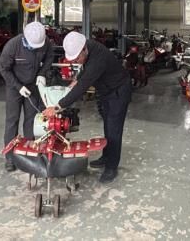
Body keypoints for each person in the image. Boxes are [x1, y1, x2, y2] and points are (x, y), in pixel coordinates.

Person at [42, 31, 131, 184]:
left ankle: (111, 167)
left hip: (118, 91)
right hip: (106, 90)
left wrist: (57, 107)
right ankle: (106, 156)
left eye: (77, 58)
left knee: (114, 129)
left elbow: (83, 86)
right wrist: (75, 80)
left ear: (84, 49)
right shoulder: (85, 46)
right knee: (108, 126)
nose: (77, 61)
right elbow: (83, 70)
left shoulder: (98, 59)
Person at [0, 21, 53, 172]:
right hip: (14, 86)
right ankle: (10, 157)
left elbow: (49, 57)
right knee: (12, 120)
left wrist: (42, 74)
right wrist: (18, 87)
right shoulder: (12, 46)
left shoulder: (44, 42)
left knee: (32, 119)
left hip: (33, 84)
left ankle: (30, 152)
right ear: (25, 38)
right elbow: (3, 69)